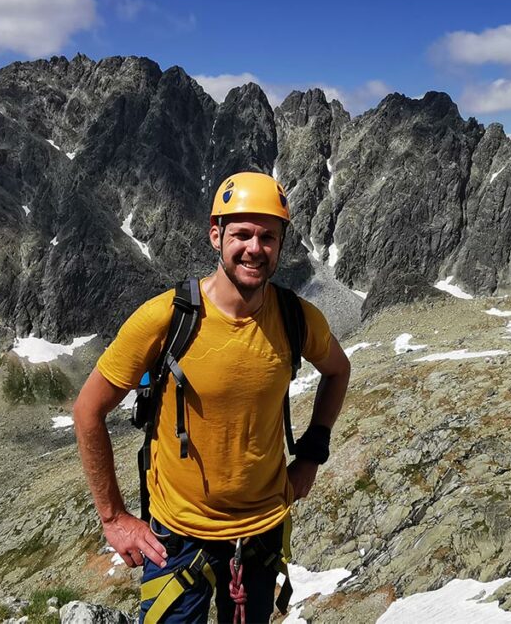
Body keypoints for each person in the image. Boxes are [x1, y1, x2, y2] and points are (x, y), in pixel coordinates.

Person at [74, 171, 351, 623]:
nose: (254, 249)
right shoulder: (166, 319)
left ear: (281, 245)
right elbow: (88, 410)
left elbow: (338, 370)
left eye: (268, 237)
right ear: (215, 235)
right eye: (242, 234)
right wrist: (113, 518)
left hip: (262, 532)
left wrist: (312, 453)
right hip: (178, 537)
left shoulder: (297, 318)